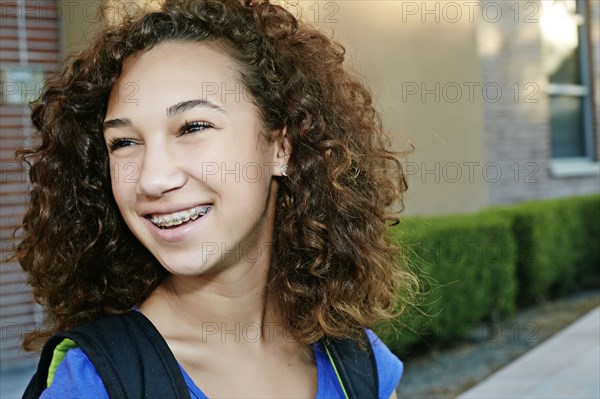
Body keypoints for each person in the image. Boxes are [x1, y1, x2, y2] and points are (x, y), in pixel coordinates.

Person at [16, 0, 416, 397]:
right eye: (123, 142)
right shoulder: (96, 384)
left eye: (192, 126)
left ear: (281, 148)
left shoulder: (358, 362)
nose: (153, 178)